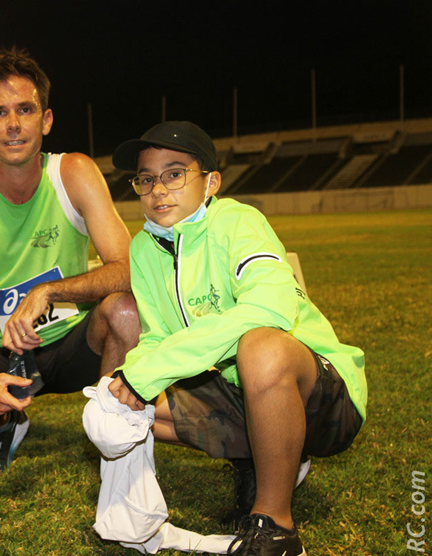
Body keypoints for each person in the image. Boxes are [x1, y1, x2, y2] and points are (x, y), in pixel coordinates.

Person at [107, 121, 367, 556]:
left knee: (259, 346)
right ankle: (260, 458)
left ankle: (275, 529)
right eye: (146, 178)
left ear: (211, 182)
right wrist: (126, 380)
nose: (158, 189)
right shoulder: (143, 248)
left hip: (321, 394)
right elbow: (156, 338)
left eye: (174, 174)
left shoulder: (239, 221)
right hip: (241, 391)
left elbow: (272, 308)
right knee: (129, 404)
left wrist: (149, 372)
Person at [0, 47, 140, 475]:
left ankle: (111, 434)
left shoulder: (73, 173)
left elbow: (129, 268)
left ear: (46, 119)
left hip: (78, 342)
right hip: (2, 353)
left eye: (25, 109)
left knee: (125, 311)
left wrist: (49, 291)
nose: (14, 125)